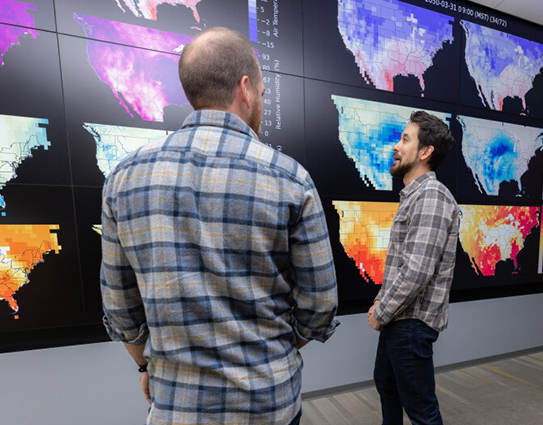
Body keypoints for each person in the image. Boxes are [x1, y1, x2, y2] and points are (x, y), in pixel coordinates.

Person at [100, 27, 338, 425]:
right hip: (270, 405)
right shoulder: (290, 179)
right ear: (245, 88)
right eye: (262, 92)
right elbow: (320, 306)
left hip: (176, 406)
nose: (260, 100)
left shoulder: (124, 177)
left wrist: (147, 365)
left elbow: (120, 307)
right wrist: (278, 351)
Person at [367, 111, 459, 425]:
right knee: (387, 385)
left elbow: (418, 271)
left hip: (410, 322)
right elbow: (402, 264)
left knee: (421, 410)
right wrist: (383, 301)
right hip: (399, 317)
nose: (396, 146)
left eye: (405, 139)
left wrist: (381, 311)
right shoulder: (414, 197)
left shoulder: (431, 196)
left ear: (425, 152)